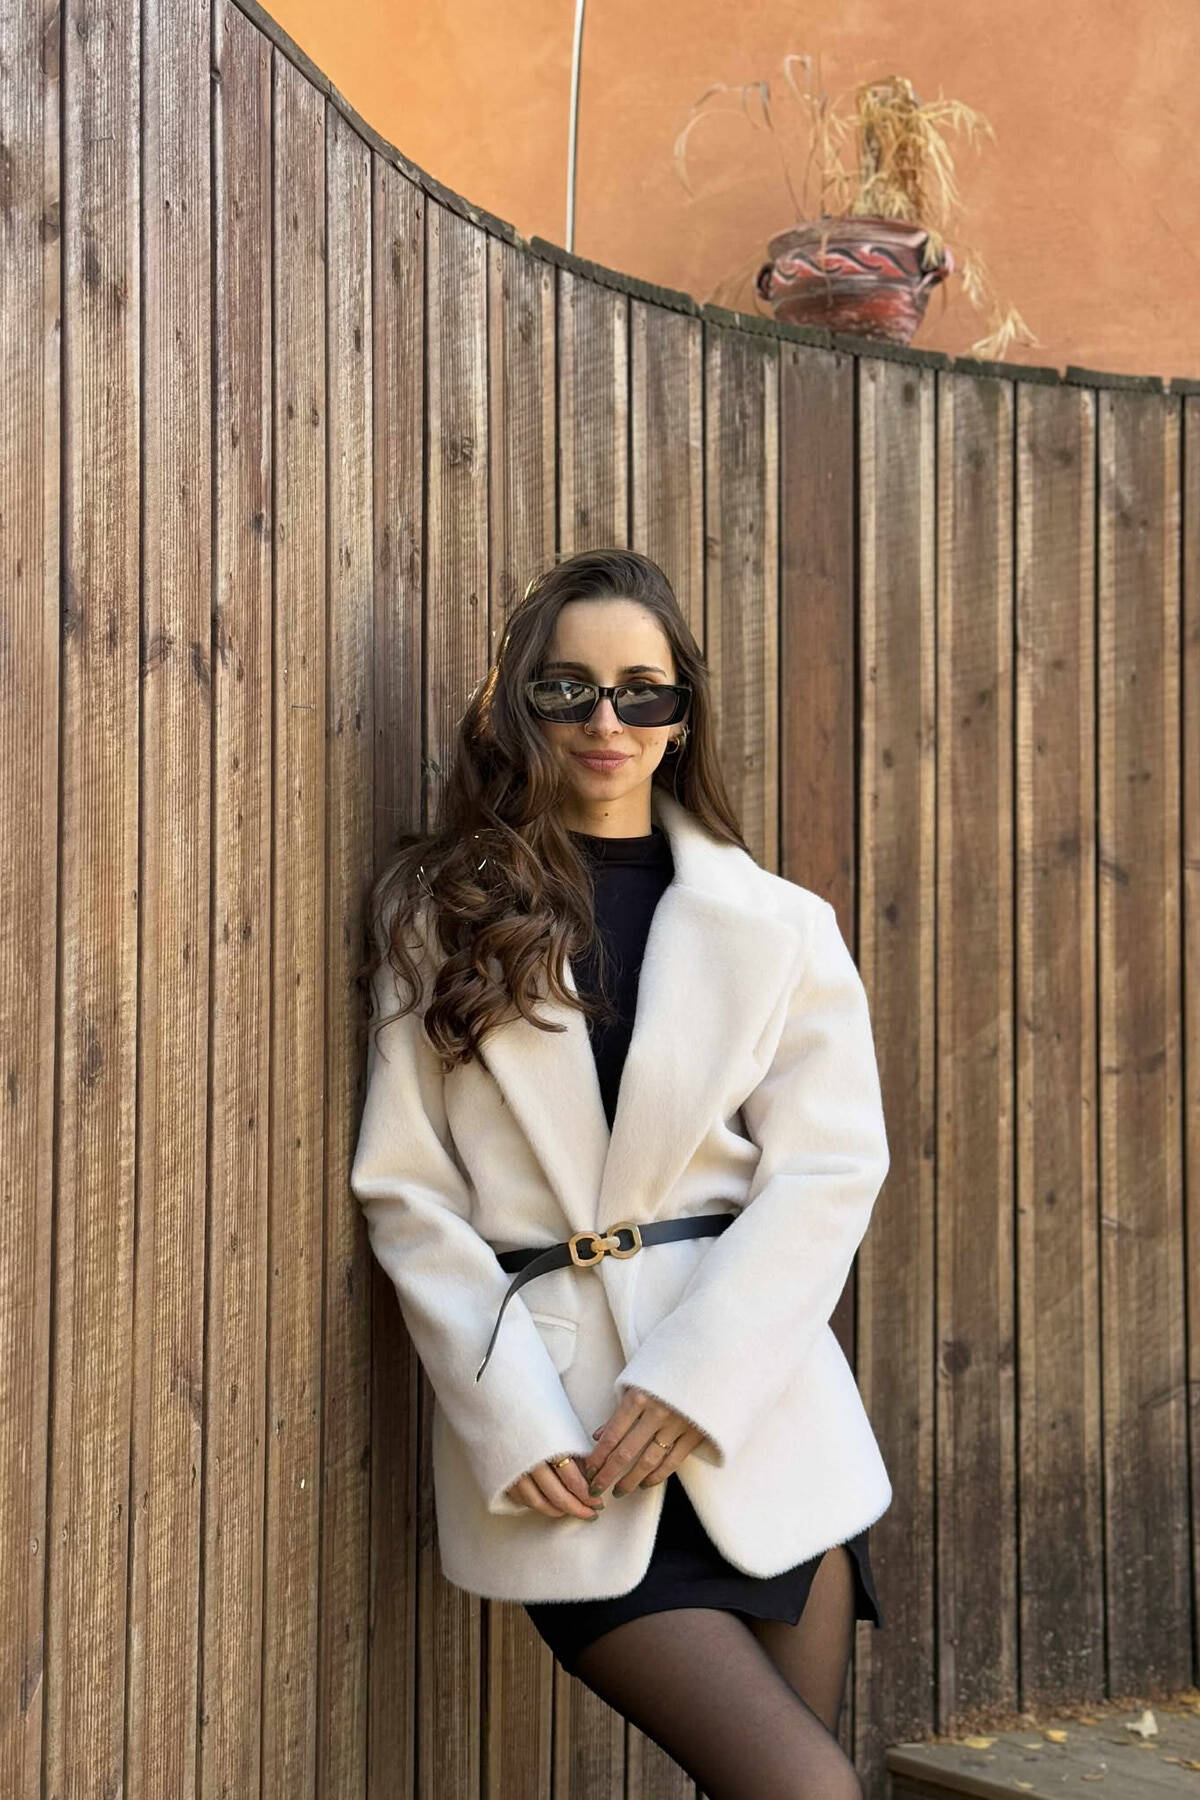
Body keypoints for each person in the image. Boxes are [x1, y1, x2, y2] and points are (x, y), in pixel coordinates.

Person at [350, 548, 892, 1799]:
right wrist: (511, 1417)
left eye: (643, 691)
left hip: (760, 1415)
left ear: (681, 714)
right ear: (521, 706)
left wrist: (699, 1382)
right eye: (569, 689)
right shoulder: (440, 914)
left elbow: (827, 1173)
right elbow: (408, 1196)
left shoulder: (783, 925)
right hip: (569, 1441)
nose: (608, 721)